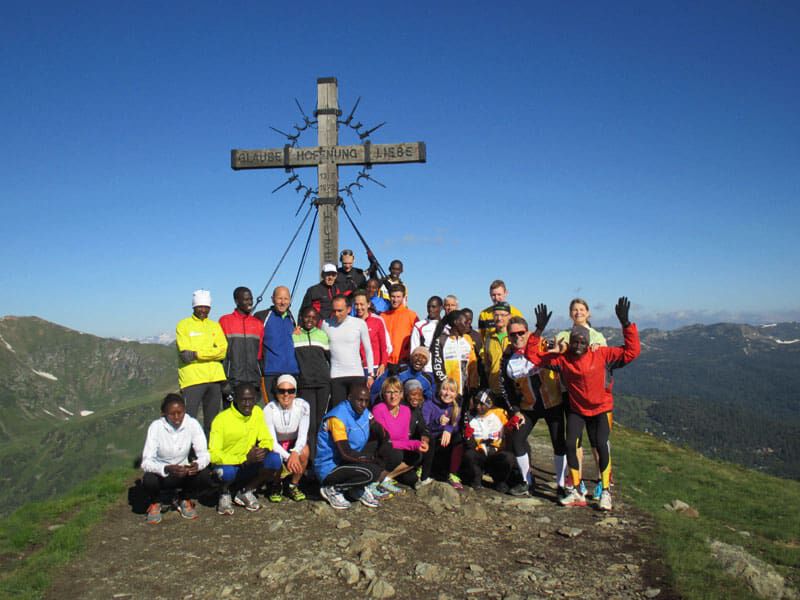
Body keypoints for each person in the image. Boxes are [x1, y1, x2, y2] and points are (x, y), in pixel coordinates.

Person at [525, 298, 640, 511]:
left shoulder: (602, 353)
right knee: (571, 445)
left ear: (589, 343)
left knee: (601, 445)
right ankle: (577, 491)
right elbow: (532, 355)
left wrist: (626, 324)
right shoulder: (564, 360)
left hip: (600, 408)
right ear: (570, 343)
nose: (578, 346)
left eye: (582, 342)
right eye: (575, 342)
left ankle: (605, 491)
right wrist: (538, 331)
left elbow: (632, 352)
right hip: (577, 408)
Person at [498, 315, 567, 497]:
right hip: (529, 407)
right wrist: (515, 410)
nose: (517, 337)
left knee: (559, 443)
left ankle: (561, 485)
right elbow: (506, 387)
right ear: (508, 336)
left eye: (521, 333)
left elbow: (565, 354)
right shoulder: (507, 357)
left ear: (528, 333)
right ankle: (526, 482)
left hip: (553, 403)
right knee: (517, 440)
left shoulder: (544, 345)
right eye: (513, 335)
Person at [554, 297, 607, 499]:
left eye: (582, 309)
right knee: (575, 440)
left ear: (588, 312)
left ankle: (603, 480)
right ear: (570, 314)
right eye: (575, 310)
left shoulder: (597, 336)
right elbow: (558, 352)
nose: (578, 312)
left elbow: (604, 360)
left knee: (597, 440)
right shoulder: (563, 335)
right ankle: (578, 481)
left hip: (593, 396)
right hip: (570, 393)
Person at [208, 383, 281, 514]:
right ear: (235, 399)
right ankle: (224, 492)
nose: (248, 404)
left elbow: (267, 439)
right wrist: (242, 459)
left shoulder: (257, 412)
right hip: (230, 465)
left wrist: (263, 450)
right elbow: (213, 454)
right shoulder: (221, 420)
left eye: (251, 400)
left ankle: (246, 490)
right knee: (226, 472)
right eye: (243, 400)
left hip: (249, 463)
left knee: (275, 459)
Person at [141, 394, 214, 524]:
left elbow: (204, 454)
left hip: (183, 472)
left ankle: (184, 498)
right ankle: (156, 501)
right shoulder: (156, 427)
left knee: (204, 475)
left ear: (185, 411)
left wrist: (197, 465)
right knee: (149, 479)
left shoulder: (192, 424)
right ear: (164, 414)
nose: (176, 418)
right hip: (163, 474)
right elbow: (146, 462)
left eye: (180, 413)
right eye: (172, 414)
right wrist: (165, 468)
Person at [315, 384, 386, 509]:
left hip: (347, 461)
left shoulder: (363, 411)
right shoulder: (337, 418)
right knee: (371, 472)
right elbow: (345, 453)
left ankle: (356, 488)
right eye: (360, 400)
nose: (363, 405)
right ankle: (332, 489)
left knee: (381, 461)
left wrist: (386, 445)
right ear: (349, 398)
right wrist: (370, 459)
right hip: (330, 467)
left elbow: (378, 429)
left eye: (366, 401)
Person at [176, 289, 228, 436]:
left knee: (212, 422)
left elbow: (223, 351)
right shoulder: (183, 325)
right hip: (192, 380)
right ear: (194, 306)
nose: (203, 310)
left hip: (215, 379)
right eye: (200, 307)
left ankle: (210, 449)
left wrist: (197, 354)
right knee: (188, 421)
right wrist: (212, 353)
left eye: (207, 307)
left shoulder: (214, 326)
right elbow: (185, 355)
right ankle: (188, 449)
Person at [372, 377, 429, 489]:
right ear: (383, 394)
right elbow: (385, 441)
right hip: (381, 449)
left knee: (416, 456)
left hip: (397, 449)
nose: (393, 396)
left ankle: (387, 478)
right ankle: (375, 482)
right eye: (389, 392)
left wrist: (418, 444)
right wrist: (414, 444)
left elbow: (404, 439)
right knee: (396, 455)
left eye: (396, 392)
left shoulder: (405, 410)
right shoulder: (378, 409)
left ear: (401, 394)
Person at [292, 306, 331, 460]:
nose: (310, 320)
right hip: (305, 384)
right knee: (309, 424)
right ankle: (310, 458)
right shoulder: (294, 335)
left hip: (323, 384)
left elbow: (329, 358)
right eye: (307, 317)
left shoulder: (322, 335)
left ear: (318, 320)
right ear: (301, 317)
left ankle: (321, 457)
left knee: (320, 422)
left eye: (314, 317)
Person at [263, 375, 310, 502]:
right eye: (281, 391)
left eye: (291, 391)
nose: (286, 394)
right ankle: (276, 484)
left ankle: (293, 485)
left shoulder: (303, 406)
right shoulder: (269, 409)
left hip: (293, 443)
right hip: (276, 445)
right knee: (274, 458)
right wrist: (289, 457)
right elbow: (272, 441)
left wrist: (295, 452)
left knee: (305, 452)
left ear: (296, 392)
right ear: (276, 392)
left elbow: (303, 435)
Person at [322, 295, 374, 406]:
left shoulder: (359, 323)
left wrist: (370, 374)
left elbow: (368, 350)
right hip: (336, 376)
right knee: (339, 411)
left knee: (357, 409)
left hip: (356, 375)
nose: (336, 314)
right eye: (334, 310)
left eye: (340, 310)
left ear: (349, 309)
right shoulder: (325, 324)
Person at [461, 390, 516, 492]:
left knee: (508, 457)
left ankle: (500, 481)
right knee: (469, 454)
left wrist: (512, 426)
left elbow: (508, 431)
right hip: (479, 452)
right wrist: (468, 437)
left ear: (489, 404)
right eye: (476, 403)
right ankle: (476, 479)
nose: (478, 407)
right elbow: (469, 442)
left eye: (482, 404)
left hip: (496, 453)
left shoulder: (500, 413)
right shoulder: (469, 415)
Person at [219, 287, 263, 406]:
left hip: (253, 382)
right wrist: (223, 382)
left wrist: (259, 380)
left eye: (251, 299)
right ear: (236, 301)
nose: (250, 302)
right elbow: (219, 354)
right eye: (246, 299)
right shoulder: (225, 321)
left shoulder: (258, 324)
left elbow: (259, 355)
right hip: (232, 382)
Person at [420, 378, 465, 489]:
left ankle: (451, 472)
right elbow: (424, 426)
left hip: (443, 440)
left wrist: (448, 429)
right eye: (445, 389)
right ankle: (423, 469)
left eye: (452, 391)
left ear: (456, 394)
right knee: (430, 438)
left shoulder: (456, 406)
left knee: (458, 438)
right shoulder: (429, 404)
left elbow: (455, 426)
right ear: (440, 390)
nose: (447, 393)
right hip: (430, 437)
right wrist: (438, 421)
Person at [258, 286, 299, 404]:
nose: (282, 302)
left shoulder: (291, 318)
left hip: (292, 372)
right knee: (271, 409)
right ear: (272, 299)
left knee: (289, 408)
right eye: (279, 298)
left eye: (286, 299)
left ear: (290, 300)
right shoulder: (262, 316)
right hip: (270, 372)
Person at [431, 310, 478, 404]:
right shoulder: (441, 340)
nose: (468, 325)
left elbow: (473, 366)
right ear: (456, 322)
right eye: (465, 322)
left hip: (465, 392)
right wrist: (449, 390)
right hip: (448, 394)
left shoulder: (468, 339)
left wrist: (473, 388)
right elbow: (437, 367)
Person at [370, 346, 435, 405]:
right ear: (411, 358)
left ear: (426, 362)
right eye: (416, 356)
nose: (419, 359)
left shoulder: (427, 379)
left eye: (423, 357)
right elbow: (375, 389)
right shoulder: (398, 369)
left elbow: (429, 401)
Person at [381, 284, 419, 373]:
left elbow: (418, 339)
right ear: (389, 297)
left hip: (404, 363)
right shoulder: (383, 316)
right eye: (393, 296)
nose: (395, 300)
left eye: (398, 297)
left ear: (403, 297)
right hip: (385, 363)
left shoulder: (411, 315)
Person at [352, 290, 390, 379]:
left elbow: (384, 346)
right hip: (356, 368)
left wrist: (383, 364)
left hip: (375, 367)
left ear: (368, 304)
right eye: (356, 304)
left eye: (362, 304)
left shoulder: (377, 321)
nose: (359, 307)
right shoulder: (351, 322)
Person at [482, 303, 512, 394]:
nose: (499, 318)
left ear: (509, 316)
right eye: (496, 315)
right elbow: (487, 365)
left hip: (514, 390)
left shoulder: (515, 336)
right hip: (495, 389)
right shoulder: (488, 338)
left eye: (502, 315)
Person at [410, 295, 443, 373]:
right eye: (428, 307)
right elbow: (413, 350)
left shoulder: (447, 327)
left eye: (433, 307)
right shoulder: (419, 326)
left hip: (442, 371)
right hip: (426, 370)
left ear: (441, 308)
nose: (430, 309)